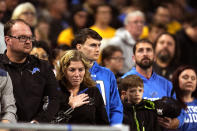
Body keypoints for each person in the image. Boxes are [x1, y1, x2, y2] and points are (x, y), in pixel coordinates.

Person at [0, 19, 60, 123]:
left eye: (30, 37)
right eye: (22, 38)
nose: (28, 41)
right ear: (8, 40)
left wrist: (36, 123)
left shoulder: (43, 66)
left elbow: (53, 100)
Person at [122, 39, 180, 129]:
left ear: (154, 57)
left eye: (148, 50)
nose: (145, 54)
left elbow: (180, 109)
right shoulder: (123, 82)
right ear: (134, 58)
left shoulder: (167, 84)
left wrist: (177, 121)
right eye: (140, 50)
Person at [74, 28, 123, 126]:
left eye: (99, 45)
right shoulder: (69, 73)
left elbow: (116, 107)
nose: (97, 49)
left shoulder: (107, 74)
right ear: (79, 47)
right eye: (92, 45)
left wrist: (115, 127)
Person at [53, 50, 109, 125]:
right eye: (72, 70)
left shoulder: (93, 91)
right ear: (64, 70)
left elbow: (104, 124)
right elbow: (49, 124)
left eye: (80, 70)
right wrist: (70, 107)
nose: (77, 74)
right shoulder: (53, 90)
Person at [171, 65, 197, 131]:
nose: (190, 80)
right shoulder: (170, 104)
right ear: (177, 80)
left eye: (193, 78)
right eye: (185, 77)